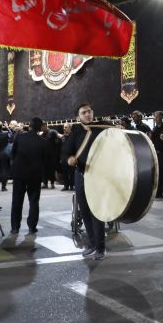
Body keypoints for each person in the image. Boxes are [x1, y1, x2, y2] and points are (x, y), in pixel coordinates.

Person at [62, 103, 106, 260]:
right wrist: (69, 159)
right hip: (81, 175)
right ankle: (92, 244)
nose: (87, 114)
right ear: (78, 117)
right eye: (84, 112)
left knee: (97, 212)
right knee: (85, 211)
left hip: (99, 176)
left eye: (89, 111)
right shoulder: (75, 132)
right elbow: (65, 152)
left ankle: (100, 247)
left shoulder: (102, 128)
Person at [10, 118, 51, 235]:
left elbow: (12, 154)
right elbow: (45, 160)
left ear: (29, 126)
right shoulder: (43, 142)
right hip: (35, 175)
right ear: (40, 128)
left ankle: (15, 227)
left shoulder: (19, 137)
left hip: (19, 174)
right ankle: (32, 226)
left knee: (17, 201)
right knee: (33, 201)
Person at [151, 111, 163, 198]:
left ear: (162, 117)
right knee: (158, 173)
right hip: (157, 154)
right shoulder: (154, 129)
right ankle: (158, 192)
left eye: (157, 116)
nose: (155, 118)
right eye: (155, 117)